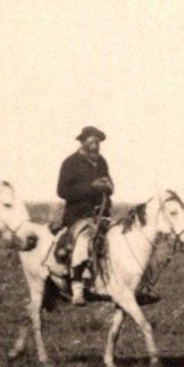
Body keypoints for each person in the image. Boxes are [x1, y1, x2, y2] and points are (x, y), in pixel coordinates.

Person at [56, 125, 114, 305]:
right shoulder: (70, 163)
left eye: (98, 142)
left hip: (102, 215)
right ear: (83, 141)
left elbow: (110, 186)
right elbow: (62, 191)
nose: (95, 145)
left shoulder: (102, 162)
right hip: (78, 216)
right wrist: (91, 188)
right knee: (83, 242)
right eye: (92, 141)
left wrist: (107, 186)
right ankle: (78, 288)